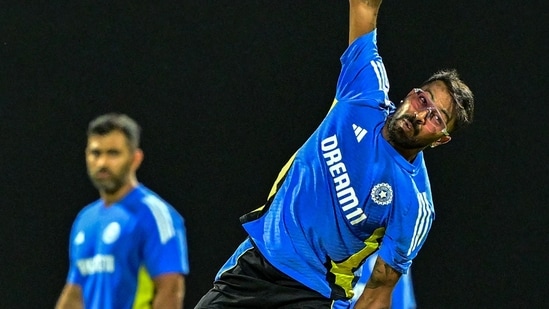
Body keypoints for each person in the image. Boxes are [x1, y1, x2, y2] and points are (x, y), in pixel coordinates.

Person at [195, 0, 474, 308]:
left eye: (436, 117)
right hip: (256, 264)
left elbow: (379, 291)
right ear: (410, 94)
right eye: (423, 100)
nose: (421, 115)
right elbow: (364, 8)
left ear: (440, 140)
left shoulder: (414, 202)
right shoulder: (364, 92)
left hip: (315, 294)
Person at [56, 113, 190, 309]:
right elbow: (76, 292)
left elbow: (170, 289)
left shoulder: (155, 214)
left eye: (113, 153)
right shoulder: (85, 219)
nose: (102, 163)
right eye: (96, 153)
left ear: (135, 158)